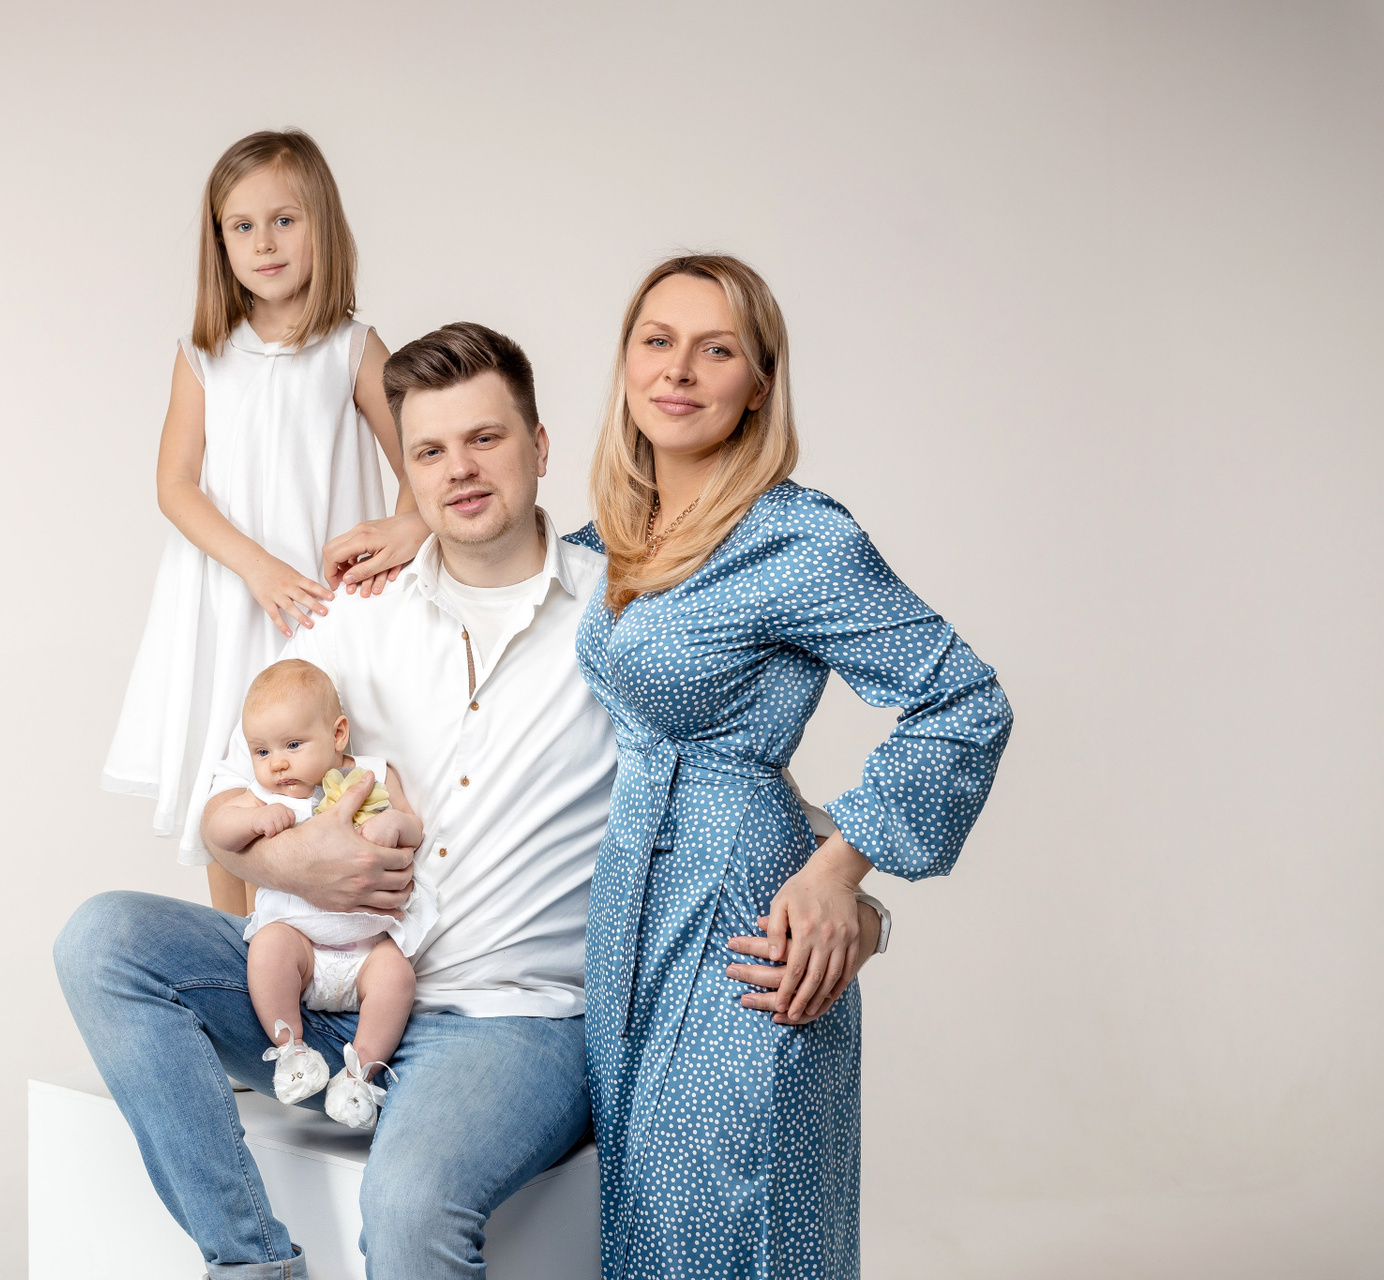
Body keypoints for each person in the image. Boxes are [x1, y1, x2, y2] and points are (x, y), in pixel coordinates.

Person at [57, 320, 867, 1278]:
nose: (460, 471)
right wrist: (287, 860)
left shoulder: (623, 620)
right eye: (430, 452)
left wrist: (848, 891)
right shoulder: (358, 616)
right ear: (407, 469)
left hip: (511, 1025)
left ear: (540, 447)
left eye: (486, 438)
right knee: (104, 940)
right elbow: (222, 796)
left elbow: (733, 778)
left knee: (407, 1206)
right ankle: (251, 1263)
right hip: (327, 989)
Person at [571, 254, 1013, 1280]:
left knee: (729, 1222)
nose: (679, 370)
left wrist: (839, 875)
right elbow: (502, 552)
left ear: (759, 384)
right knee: (646, 1234)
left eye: (716, 349)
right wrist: (412, 518)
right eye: (657, 340)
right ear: (626, 361)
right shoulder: (614, 540)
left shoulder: (797, 537)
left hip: (740, 920)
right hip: (627, 917)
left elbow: (965, 699)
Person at [100, 128, 416, 915]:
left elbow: (422, 463)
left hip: (319, 607)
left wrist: (402, 534)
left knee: (332, 768)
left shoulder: (353, 348)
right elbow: (175, 485)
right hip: (231, 599)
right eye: (242, 226)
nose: (264, 243)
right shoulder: (203, 354)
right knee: (233, 778)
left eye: (284, 220)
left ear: (322, 226)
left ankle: (335, 955)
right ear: (220, 243)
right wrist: (255, 567)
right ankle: (236, 949)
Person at [200, 658, 433, 1130]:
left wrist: (394, 824)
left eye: (292, 745)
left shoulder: (373, 775)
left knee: (397, 978)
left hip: (369, 950)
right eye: (261, 751)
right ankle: (292, 1051)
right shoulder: (266, 795)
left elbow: (414, 824)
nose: (277, 763)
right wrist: (251, 821)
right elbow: (218, 831)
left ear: (338, 733)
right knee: (268, 948)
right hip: (302, 948)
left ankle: (359, 1076)